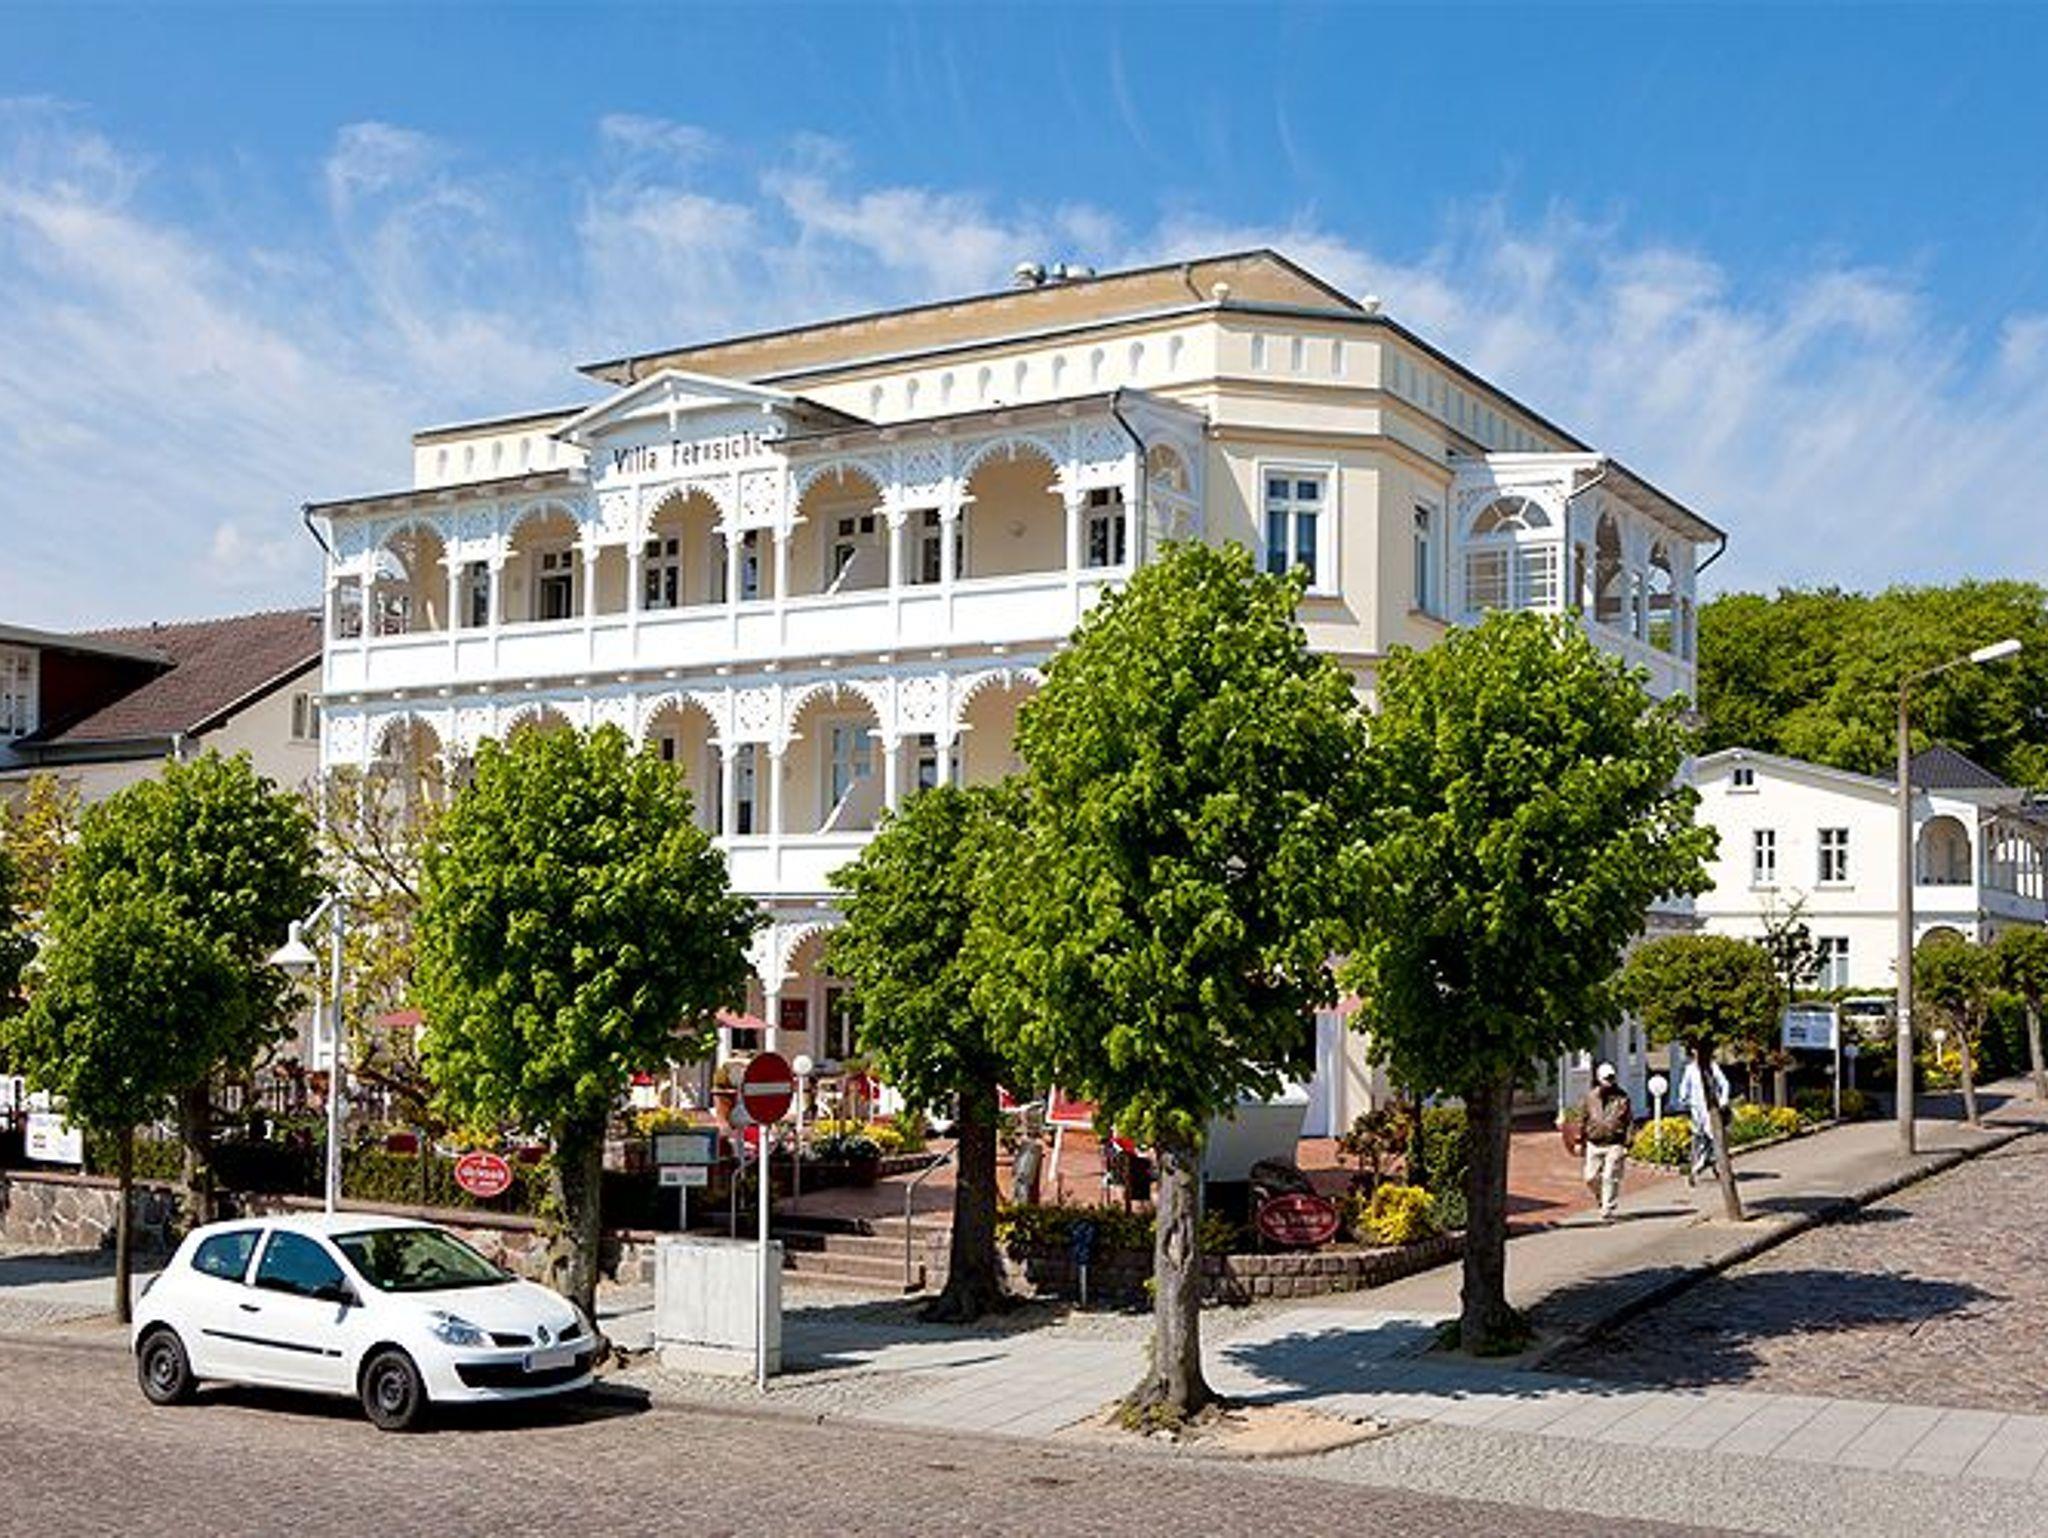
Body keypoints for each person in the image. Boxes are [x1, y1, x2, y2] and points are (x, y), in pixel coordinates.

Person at [1579, 1063, 1634, 1220]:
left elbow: (1629, 1121)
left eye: (1611, 1078)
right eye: (1606, 1079)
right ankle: (1602, 1197)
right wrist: (1579, 1140)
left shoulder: (1622, 1097)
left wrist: (1628, 1142)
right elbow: (1582, 1119)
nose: (1609, 1081)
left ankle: (1607, 1207)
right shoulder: (1590, 1098)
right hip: (1594, 1142)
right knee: (1590, 1177)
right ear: (1599, 1079)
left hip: (1614, 1142)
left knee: (1610, 1176)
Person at [1677, 1053, 1731, 1186]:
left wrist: (1723, 1100)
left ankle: (1710, 1161)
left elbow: (1724, 1083)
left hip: (1711, 1108)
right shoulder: (1690, 1069)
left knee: (1712, 1136)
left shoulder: (1712, 1067)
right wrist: (1683, 1097)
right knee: (1698, 1136)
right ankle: (1699, 1162)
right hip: (1696, 1108)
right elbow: (1684, 1085)